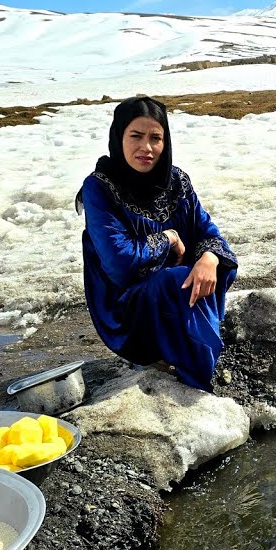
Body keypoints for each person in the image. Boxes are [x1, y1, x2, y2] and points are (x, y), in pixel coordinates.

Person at [77, 96, 238, 391]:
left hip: (171, 289)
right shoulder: (100, 187)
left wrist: (209, 259)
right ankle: (197, 372)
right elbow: (120, 263)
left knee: (219, 268)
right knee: (178, 279)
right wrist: (168, 238)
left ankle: (194, 350)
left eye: (156, 138)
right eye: (136, 136)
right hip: (127, 309)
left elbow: (209, 232)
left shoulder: (176, 181)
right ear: (119, 137)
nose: (146, 148)